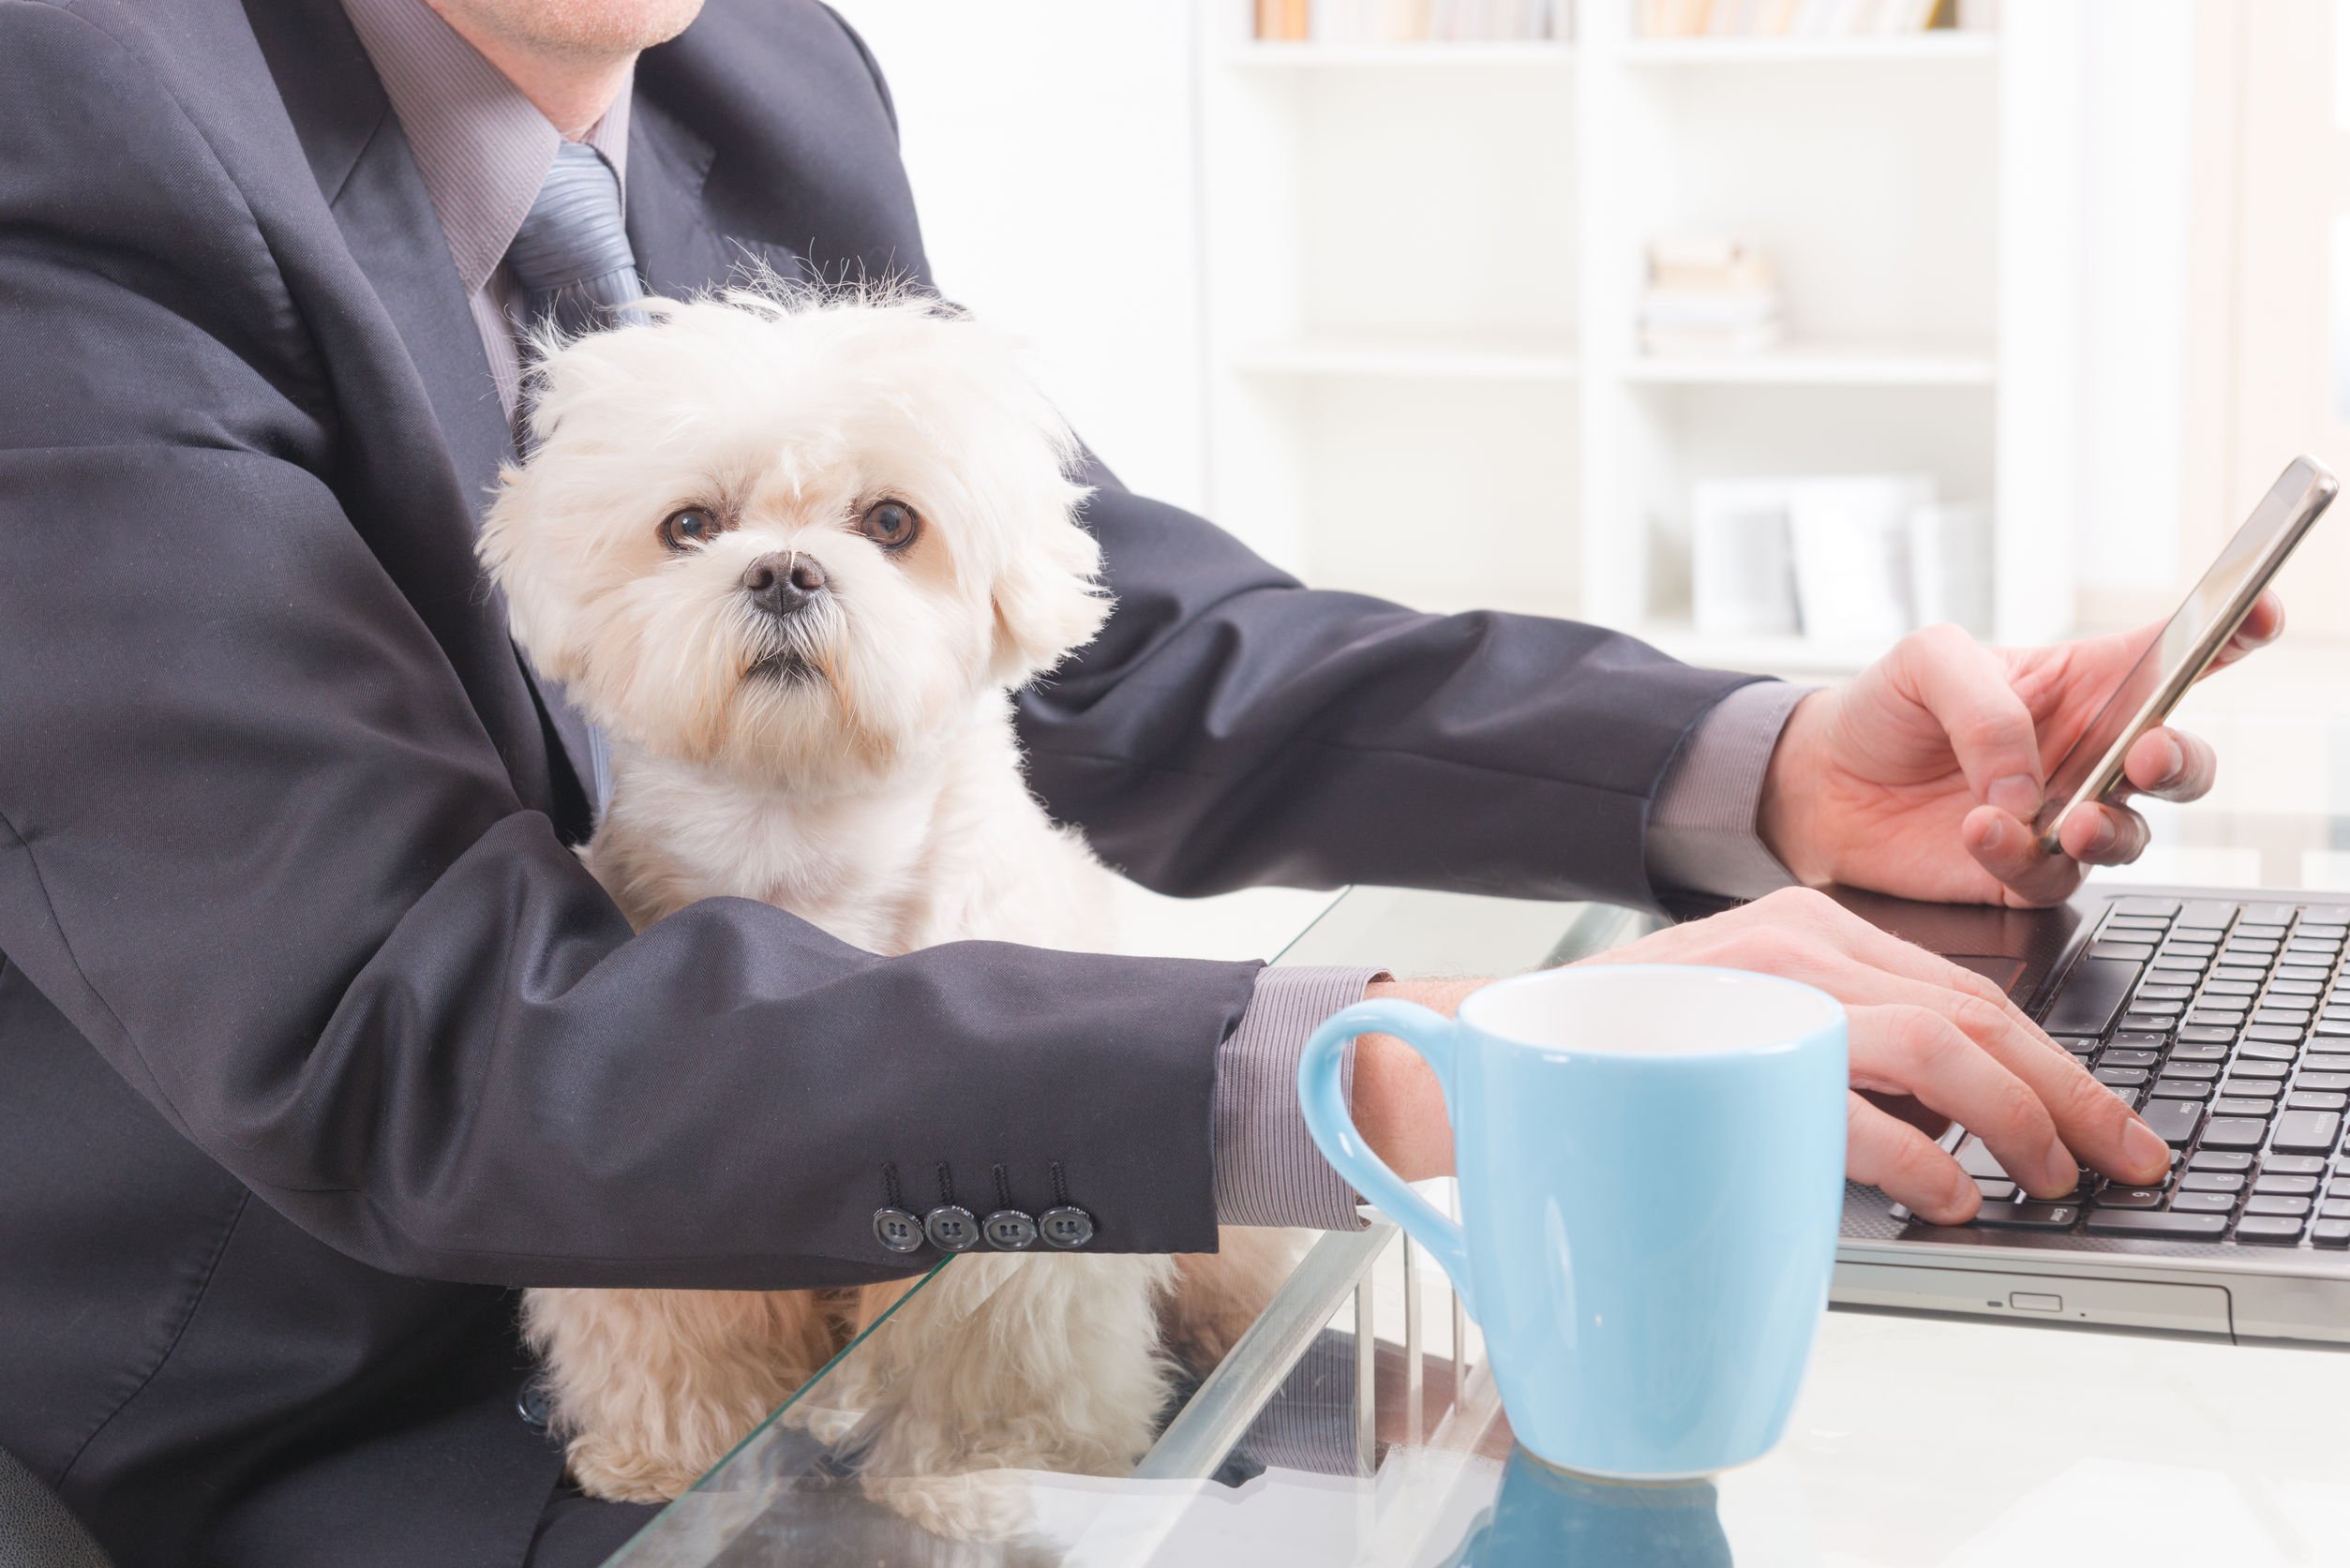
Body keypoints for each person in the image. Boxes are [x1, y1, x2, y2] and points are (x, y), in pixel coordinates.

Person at [0, 0, 2272, 1563]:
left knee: (1533, 1466)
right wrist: (1380, 1070)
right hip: (395, 1378)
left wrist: (1754, 765)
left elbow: (1095, 627)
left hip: (922, 1261)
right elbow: (417, 1028)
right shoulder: (72, 132)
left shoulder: (747, 75)